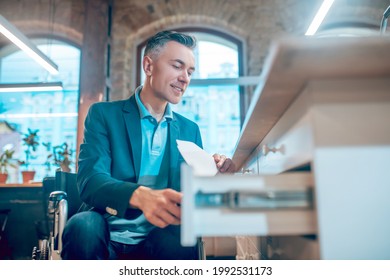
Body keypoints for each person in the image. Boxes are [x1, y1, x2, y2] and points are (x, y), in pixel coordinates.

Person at [61, 30, 236, 260]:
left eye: (190, 71)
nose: (185, 78)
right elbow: (91, 181)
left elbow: (192, 198)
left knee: (182, 238)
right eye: (177, 66)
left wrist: (215, 179)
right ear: (148, 66)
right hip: (105, 229)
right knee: (82, 226)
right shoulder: (104, 114)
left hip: (159, 237)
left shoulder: (189, 129)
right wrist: (141, 196)